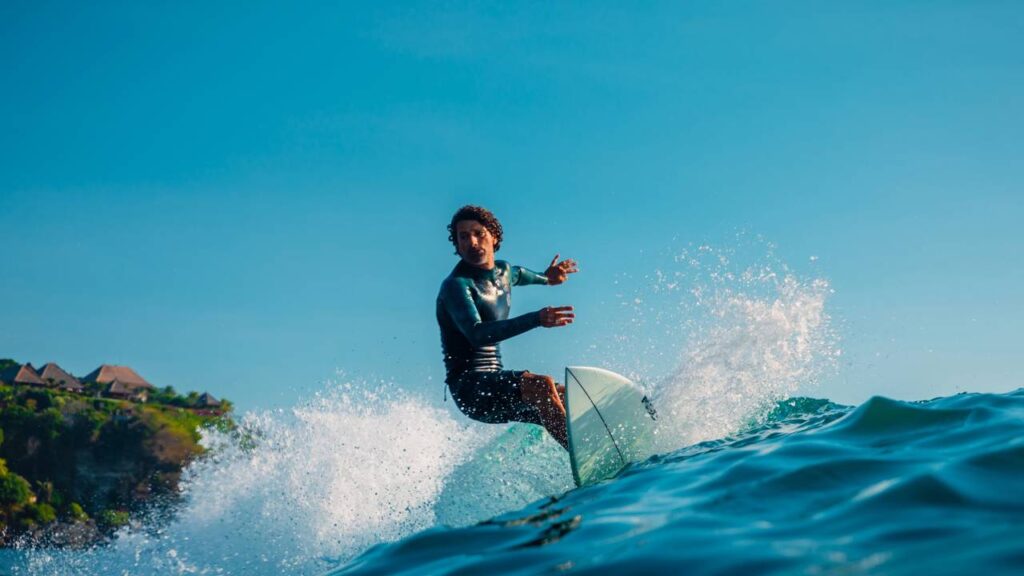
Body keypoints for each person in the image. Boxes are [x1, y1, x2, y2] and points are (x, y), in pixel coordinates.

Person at [436, 205, 578, 449]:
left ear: (494, 236)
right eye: (463, 237)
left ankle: (606, 441)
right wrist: (536, 319)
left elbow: (519, 274)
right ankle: (582, 453)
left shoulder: (504, 272)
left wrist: (549, 278)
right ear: (457, 245)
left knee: (568, 396)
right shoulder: (456, 286)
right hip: (471, 390)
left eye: (478, 233)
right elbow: (477, 334)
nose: (472, 242)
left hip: (497, 383)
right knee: (541, 385)